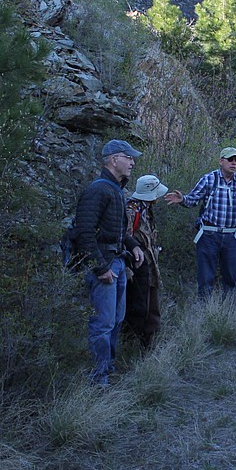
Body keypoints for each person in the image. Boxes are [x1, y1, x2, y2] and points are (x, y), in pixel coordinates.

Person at [72, 139, 144, 387]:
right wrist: (101, 267)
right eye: (129, 157)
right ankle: (98, 379)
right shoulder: (98, 190)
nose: (133, 162)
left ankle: (107, 369)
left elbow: (115, 230)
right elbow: (85, 232)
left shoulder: (115, 189)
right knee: (103, 323)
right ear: (114, 159)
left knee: (115, 319)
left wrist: (133, 245)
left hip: (117, 263)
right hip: (105, 265)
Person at [165, 147, 236, 298]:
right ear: (221, 161)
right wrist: (182, 199)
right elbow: (193, 199)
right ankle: (205, 311)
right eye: (230, 159)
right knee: (206, 276)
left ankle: (228, 312)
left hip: (231, 236)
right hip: (209, 234)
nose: (234, 163)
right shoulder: (209, 179)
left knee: (230, 277)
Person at [124, 174, 169, 350]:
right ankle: (134, 343)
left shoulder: (146, 209)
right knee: (138, 304)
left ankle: (149, 340)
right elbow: (126, 238)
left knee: (152, 304)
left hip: (149, 265)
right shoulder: (132, 211)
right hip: (136, 267)